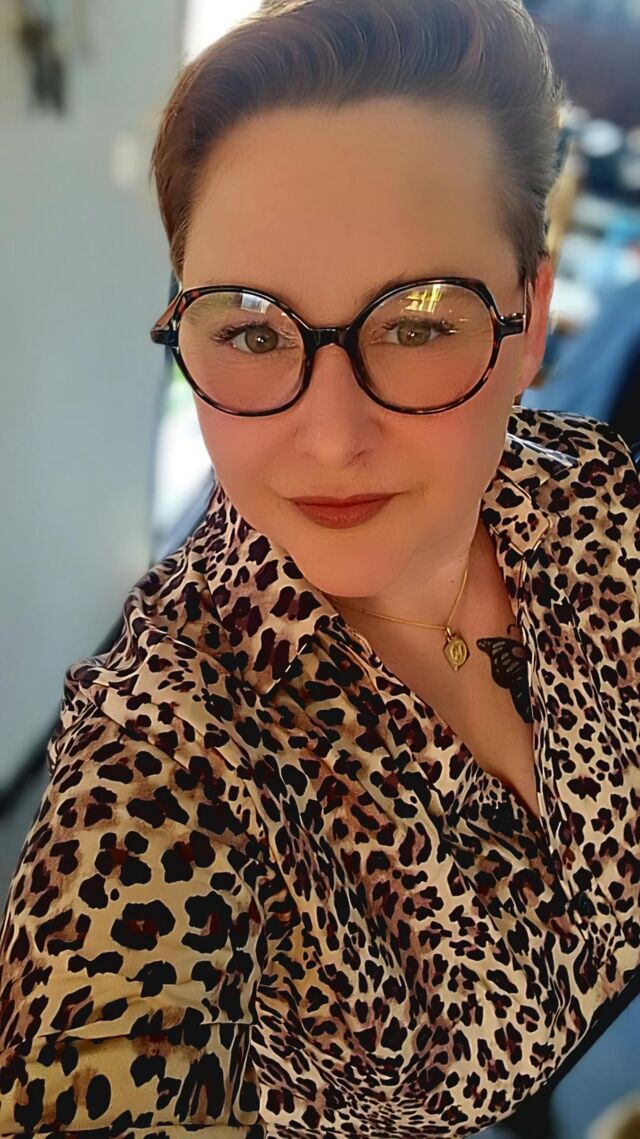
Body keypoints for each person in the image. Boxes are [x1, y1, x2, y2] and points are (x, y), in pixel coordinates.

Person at [1, 0, 638, 1135]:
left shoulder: (591, 496)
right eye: (250, 329)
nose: (333, 436)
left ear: (530, 319)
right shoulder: (163, 762)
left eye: (420, 321)